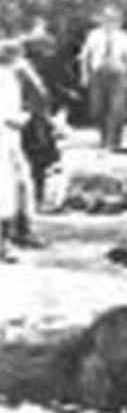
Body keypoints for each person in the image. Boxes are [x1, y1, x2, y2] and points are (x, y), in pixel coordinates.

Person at [0, 40, 46, 260]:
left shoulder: (11, 76)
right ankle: (5, 241)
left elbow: (37, 96)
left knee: (20, 182)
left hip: (10, 136)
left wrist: (23, 117)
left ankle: (22, 230)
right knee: (6, 187)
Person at [78, 4, 127, 150]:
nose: (109, 22)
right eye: (106, 18)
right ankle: (104, 137)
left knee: (117, 108)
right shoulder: (93, 35)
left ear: (119, 21)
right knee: (97, 107)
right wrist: (84, 75)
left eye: (113, 19)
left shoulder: (125, 37)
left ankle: (114, 141)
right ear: (101, 20)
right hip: (98, 73)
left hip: (118, 73)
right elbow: (85, 57)